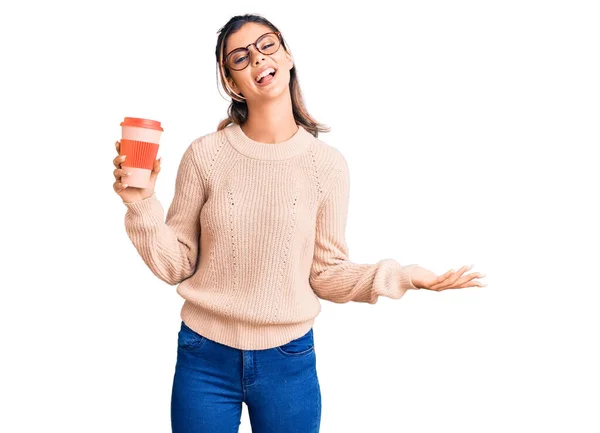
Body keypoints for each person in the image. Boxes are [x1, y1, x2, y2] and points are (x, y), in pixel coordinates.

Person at [112, 13, 486, 433]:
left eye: (266, 45)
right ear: (231, 82)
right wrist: (140, 204)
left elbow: (326, 273)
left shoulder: (326, 166)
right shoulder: (205, 155)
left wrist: (404, 276)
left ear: (287, 56)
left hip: (287, 361)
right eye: (240, 57)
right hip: (204, 356)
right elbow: (176, 265)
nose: (257, 58)